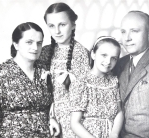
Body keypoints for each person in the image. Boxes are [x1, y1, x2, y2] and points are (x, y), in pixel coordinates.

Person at [0, 22, 60, 138]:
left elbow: (48, 105)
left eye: (39, 43)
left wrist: (51, 118)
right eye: (29, 42)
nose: (35, 48)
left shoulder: (44, 70)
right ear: (16, 45)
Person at [39, 2, 90, 138]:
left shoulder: (81, 54)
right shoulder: (44, 52)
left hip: (74, 119)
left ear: (73, 25)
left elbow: (80, 97)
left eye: (62, 25)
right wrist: (50, 117)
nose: (57, 31)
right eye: (52, 26)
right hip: (48, 117)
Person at [70, 36, 124, 138]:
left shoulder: (113, 81)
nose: (108, 61)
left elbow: (119, 112)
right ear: (93, 54)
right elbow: (75, 123)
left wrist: (114, 133)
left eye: (113, 58)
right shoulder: (81, 83)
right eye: (104, 55)